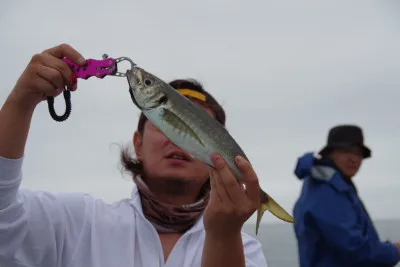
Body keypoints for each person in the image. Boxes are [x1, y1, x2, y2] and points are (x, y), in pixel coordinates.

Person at [0, 44, 268, 267]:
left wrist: (223, 237)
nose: (176, 140)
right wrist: (20, 102)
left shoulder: (245, 250)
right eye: (165, 127)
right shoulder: (78, 222)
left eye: (195, 131)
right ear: (137, 144)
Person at [292, 124, 400, 267]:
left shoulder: (334, 186)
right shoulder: (325, 192)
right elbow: (354, 248)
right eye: (346, 151)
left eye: (358, 154)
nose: (354, 159)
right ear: (329, 153)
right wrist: (394, 251)